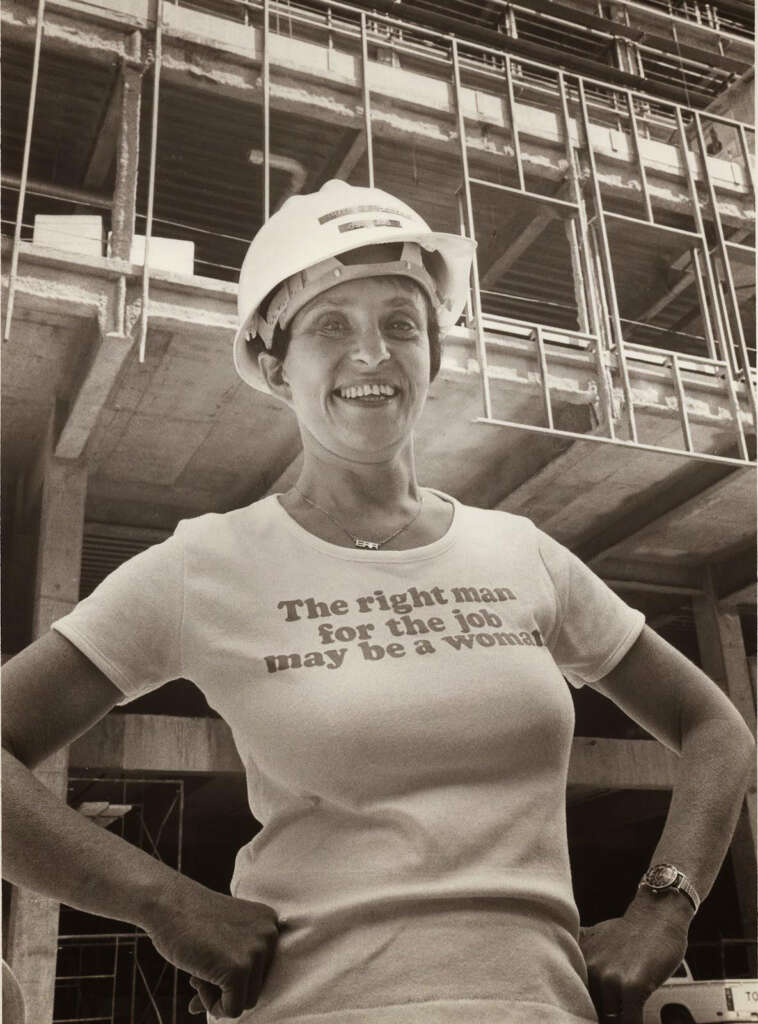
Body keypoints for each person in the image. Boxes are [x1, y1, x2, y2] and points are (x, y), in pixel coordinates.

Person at [2, 180, 753, 1024]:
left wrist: (664, 905)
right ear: (276, 362)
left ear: (433, 351)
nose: (372, 354)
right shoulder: (207, 562)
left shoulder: (522, 554)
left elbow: (717, 729)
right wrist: (163, 901)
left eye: (401, 323)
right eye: (331, 325)